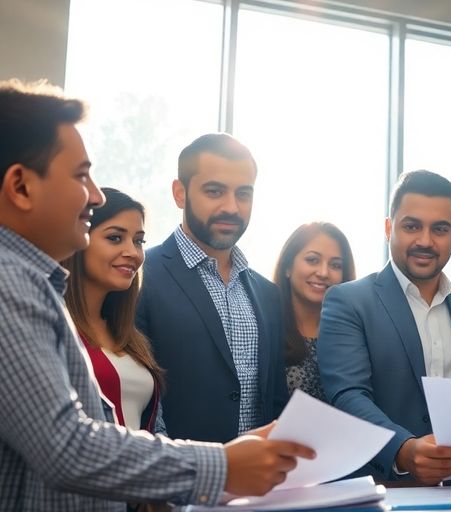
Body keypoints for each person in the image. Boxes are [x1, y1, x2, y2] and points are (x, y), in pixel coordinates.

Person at [0, 79, 313, 510]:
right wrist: (220, 464)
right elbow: (67, 446)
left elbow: (105, 426)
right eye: (80, 176)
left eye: (243, 193)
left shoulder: (32, 283)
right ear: (20, 187)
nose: (94, 195)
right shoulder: (8, 285)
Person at [319, 170, 451, 485]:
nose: (425, 241)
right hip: (382, 493)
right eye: (411, 226)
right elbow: (347, 395)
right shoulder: (349, 301)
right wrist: (403, 450)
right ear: (388, 227)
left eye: (440, 229)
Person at [136, 133, 287, 443]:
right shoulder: (139, 278)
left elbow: (274, 402)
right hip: (177, 482)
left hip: (259, 484)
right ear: (180, 193)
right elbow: (134, 400)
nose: (231, 207)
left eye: (243, 194)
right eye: (215, 191)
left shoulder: (267, 293)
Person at [62, 187, 167, 433]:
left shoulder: (132, 338)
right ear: (79, 240)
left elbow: (155, 431)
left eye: (138, 241)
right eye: (115, 238)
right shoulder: (54, 327)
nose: (133, 252)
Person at [274, 222, 355, 401]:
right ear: (287, 267)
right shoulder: (266, 327)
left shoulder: (353, 332)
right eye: (312, 260)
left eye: (335, 265)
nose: (323, 273)